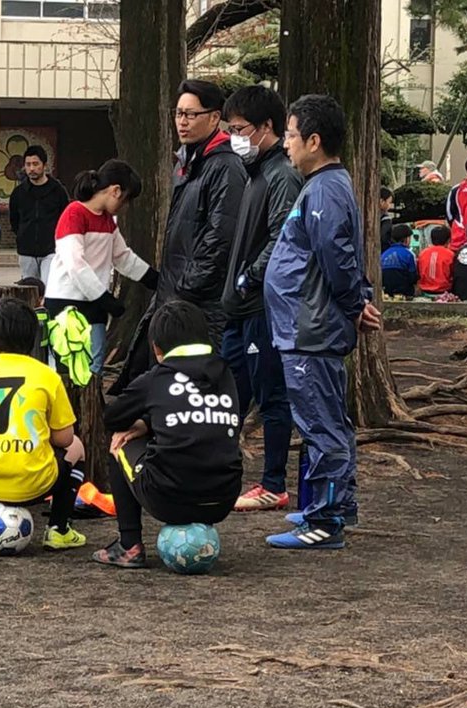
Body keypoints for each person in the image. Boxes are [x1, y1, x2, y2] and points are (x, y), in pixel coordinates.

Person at [263, 94, 381, 550]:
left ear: (314, 140)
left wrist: (355, 304)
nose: (286, 144)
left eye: (291, 135)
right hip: (301, 327)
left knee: (322, 425)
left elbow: (337, 253)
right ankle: (327, 504)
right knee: (321, 420)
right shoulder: (321, 186)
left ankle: (326, 520)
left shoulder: (326, 190)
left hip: (311, 331)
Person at [114, 79, 247, 393]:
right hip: (174, 295)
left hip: (200, 303)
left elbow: (220, 238)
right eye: (178, 114)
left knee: (197, 388)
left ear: (214, 118)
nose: (182, 122)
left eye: (191, 114)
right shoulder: (188, 162)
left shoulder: (225, 166)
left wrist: (187, 287)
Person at [93, 301, 243, 568]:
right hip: (224, 497)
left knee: (120, 440)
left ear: (157, 349)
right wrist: (153, 422)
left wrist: (144, 423)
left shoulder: (157, 379)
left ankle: (129, 546)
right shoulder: (226, 374)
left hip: (168, 499)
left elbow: (112, 418)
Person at [220, 85, 302, 513]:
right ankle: (221, 474)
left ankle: (274, 483)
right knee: (227, 393)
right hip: (237, 308)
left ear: (266, 127)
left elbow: (282, 238)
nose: (235, 137)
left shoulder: (281, 176)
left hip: (262, 307)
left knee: (272, 395)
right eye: (230, 128)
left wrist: (249, 279)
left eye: (240, 129)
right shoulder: (254, 174)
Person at [0, 301, 87, 550]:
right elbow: (65, 438)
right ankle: (59, 529)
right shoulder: (47, 375)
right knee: (77, 447)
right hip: (34, 485)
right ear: (34, 337)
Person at [43, 160, 159, 376]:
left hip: (94, 303)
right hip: (66, 302)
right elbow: (74, 263)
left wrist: (153, 279)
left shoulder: (107, 221)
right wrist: (104, 298)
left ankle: (91, 408)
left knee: (94, 366)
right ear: (115, 191)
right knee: (69, 366)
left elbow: (122, 257)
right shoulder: (74, 213)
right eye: (125, 200)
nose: (125, 206)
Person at [8, 144, 70, 283]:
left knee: (49, 288)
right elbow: (14, 219)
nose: (31, 168)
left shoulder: (57, 190)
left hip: (51, 249)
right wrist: (22, 234)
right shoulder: (19, 193)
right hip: (26, 250)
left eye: (35, 164)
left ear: (44, 165)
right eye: (28, 164)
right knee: (29, 290)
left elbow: (65, 217)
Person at [380, 224, 419, 298]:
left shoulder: (384, 254)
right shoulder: (409, 254)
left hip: (386, 293)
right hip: (405, 293)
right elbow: (413, 277)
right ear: (406, 239)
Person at [418, 225, 454, 296]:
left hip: (425, 291)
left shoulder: (423, 253)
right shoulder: (450, 254)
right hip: (444, 291)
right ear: (448, 240)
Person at [379, 186, 395, 252]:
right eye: (389, 202)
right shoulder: (386, 219)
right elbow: (384, 237)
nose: (390, 206)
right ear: (382, 201)